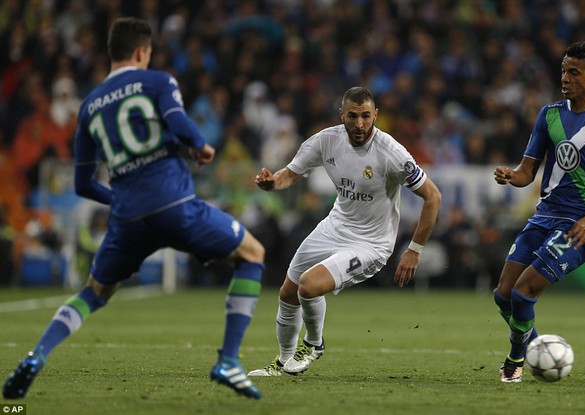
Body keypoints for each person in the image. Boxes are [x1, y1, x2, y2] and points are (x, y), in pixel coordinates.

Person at [3, 17, 265, 400]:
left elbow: (82, 184)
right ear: (142, 52)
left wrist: (122, 201)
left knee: (94, 292)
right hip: (175, 205)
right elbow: (177, 121)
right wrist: (200, 145)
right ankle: (227, 360)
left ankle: (36, 354)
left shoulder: (90, 105)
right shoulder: (158, 81)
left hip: (126, 219)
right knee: (252, 254)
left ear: (113, 53)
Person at [248, 86, 442, 376]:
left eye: (366, 116)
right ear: (342, 115)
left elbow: (433, 197)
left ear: (376, 114)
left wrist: (414, 250)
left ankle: (314, 344)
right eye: (353, 116)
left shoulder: (392, 154)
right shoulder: (326, 141)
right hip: (334, 227)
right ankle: (283, 362)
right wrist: (272, 183)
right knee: (288, 293)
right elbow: (290, 174)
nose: (360, 124)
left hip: (371, 243)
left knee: (309, 285)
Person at [493, 41, 585, 382]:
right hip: (544, 216)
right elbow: (528, 172)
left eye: (574, 72)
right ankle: (538, 347)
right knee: (503, 295)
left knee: (524, 292)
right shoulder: (550, 115)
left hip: (579, 226)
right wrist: (512, 176)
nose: (565, 78)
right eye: (563, 71)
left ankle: (516, 358)